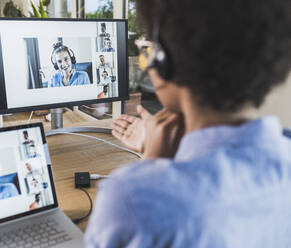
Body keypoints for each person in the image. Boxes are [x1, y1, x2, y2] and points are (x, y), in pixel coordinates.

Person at [85, 0, 291, 247]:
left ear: (162, 60)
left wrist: (151, 165)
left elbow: (154, 206)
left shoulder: (132, 197)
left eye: (148, 48)